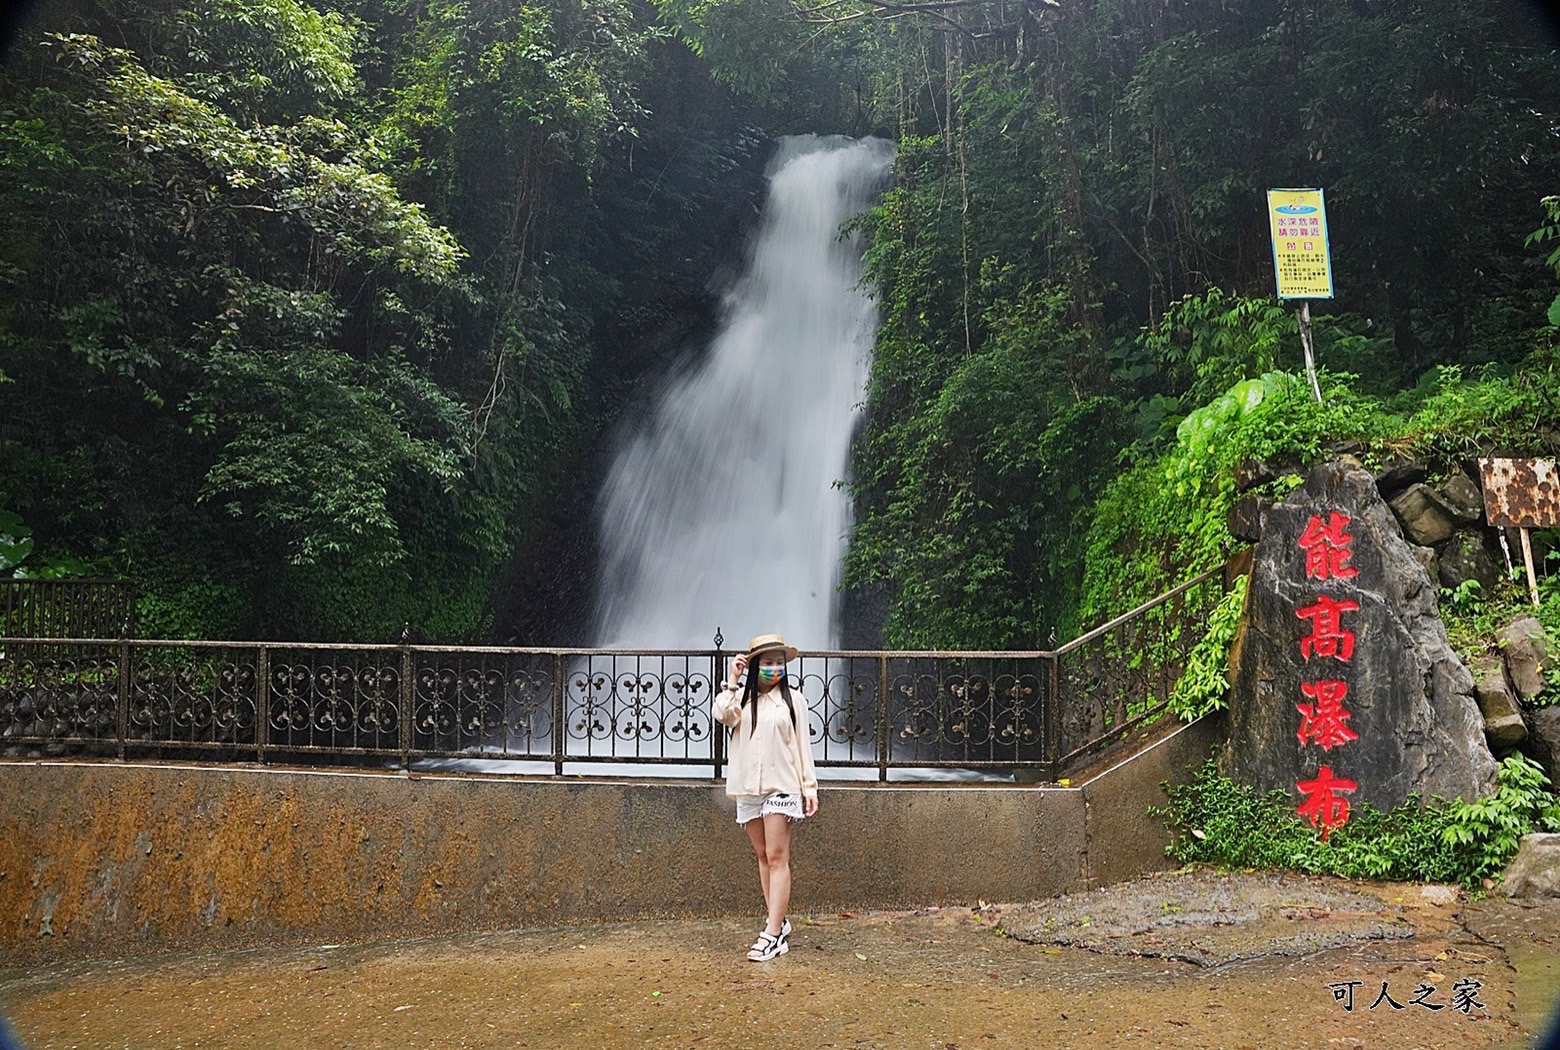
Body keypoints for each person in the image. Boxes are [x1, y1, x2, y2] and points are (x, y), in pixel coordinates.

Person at [713, 633, 819, 961]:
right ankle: (779, 920)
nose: (775, 668)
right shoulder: (742, 701)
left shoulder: (794, 701)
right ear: (755, 665)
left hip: (782, 785)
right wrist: (733, 680)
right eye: (768, 663)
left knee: (777, 856)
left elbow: (803, 745)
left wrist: (809, 787)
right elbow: (722, 716)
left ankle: (773, 934)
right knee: (762, 855)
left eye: (779, 663)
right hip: (749, 786)